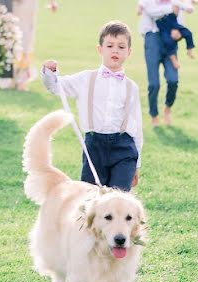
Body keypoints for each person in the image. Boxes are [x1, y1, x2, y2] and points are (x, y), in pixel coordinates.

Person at [40, 21, 142, 192]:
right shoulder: (86, 79)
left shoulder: (131, 87)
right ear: (100, 49)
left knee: (119, 198)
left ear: (129, 52)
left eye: (121, 47)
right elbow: (57, 87)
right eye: (110, 45)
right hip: (95, 146)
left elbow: (137, 128)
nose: (115, 50)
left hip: (124, 148)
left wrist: (137, 164)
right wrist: (49, 73)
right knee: (90, 196)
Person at [137, 0, 185, 126]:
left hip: (169, 43)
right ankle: (153, 114)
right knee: (154, 83)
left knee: (173, 79)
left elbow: (180, 20)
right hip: (152, 39)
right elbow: (151, 11)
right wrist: (170, 10)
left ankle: (168, 107)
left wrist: (178, 32)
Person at [153, 0, 195, 70]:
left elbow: (181, 5)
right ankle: (174, 60)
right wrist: (170, 9)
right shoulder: (155, 2)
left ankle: (190, 50)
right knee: (168, 41)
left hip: (173, 22)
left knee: (188, 33)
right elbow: (154, 12)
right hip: (163, 25)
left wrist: (188, 8)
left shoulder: (174, 0)